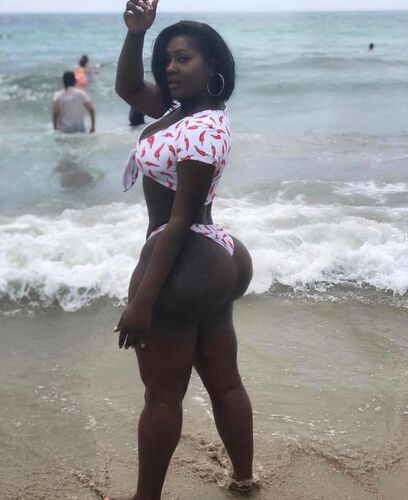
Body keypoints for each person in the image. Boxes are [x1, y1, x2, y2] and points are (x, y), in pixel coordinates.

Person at [106, 1, 255, 499]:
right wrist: (135, 34)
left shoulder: (202, 130)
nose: (170, 67)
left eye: (183, 58)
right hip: (213, 256)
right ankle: (243, 478)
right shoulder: (184, 112)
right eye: (167, 58)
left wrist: (142, 301)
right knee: (224, 381)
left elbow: (178, 218)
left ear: (212, 65)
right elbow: (129, 89)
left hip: (183, 259)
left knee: (163, 396)